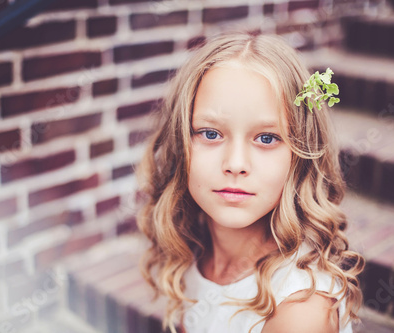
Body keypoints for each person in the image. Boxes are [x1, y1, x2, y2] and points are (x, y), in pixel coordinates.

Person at [135, 30, 365, 333]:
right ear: (180, 142)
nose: (235, 164)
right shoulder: (195, 248)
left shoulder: (299, 311)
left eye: (266, 138)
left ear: (300, 157)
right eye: (210, 133)